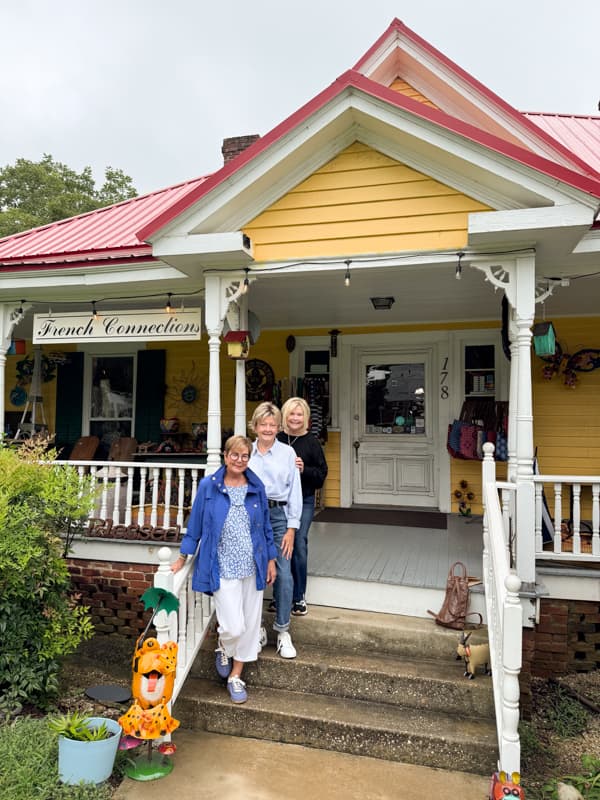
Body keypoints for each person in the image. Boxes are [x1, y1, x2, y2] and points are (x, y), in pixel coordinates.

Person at [171, 435, 277, 704]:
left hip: (253, 565)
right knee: (233, 625)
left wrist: (271, 560)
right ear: (225, 456)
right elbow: (194, 524)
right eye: (235, 455)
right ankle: (223, 645)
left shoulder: (256, 487)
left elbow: (265, 527)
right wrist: (183, 556)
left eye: (245, 456)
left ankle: (236, 676)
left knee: (250, 625)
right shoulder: (209, 487)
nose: (240, 460)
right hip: (223, 566)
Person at [248, 402, 302, 658]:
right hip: (252, 516)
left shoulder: (287, 454)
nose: (268, 429)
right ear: (255, 426)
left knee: (284, 572)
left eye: (272, 425)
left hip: (279, 516)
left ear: (279, 427)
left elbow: (295, 493)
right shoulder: (246, 452)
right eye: (263, 424)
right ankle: (257, 628)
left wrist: (292, 527)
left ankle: (282, 630)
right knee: (253, 571)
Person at [277, 397, 328, 616]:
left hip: (304, 499)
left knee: (298, 542)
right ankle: (281, 595)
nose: (295, 418)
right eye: (291, 414)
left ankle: (298, 596)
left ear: (305, 418)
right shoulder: (277, 439)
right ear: (285, 416)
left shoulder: (311, 443)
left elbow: (321, 476)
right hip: (279, 500)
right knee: (279, 543)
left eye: (299, 414)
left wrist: (304, 469)